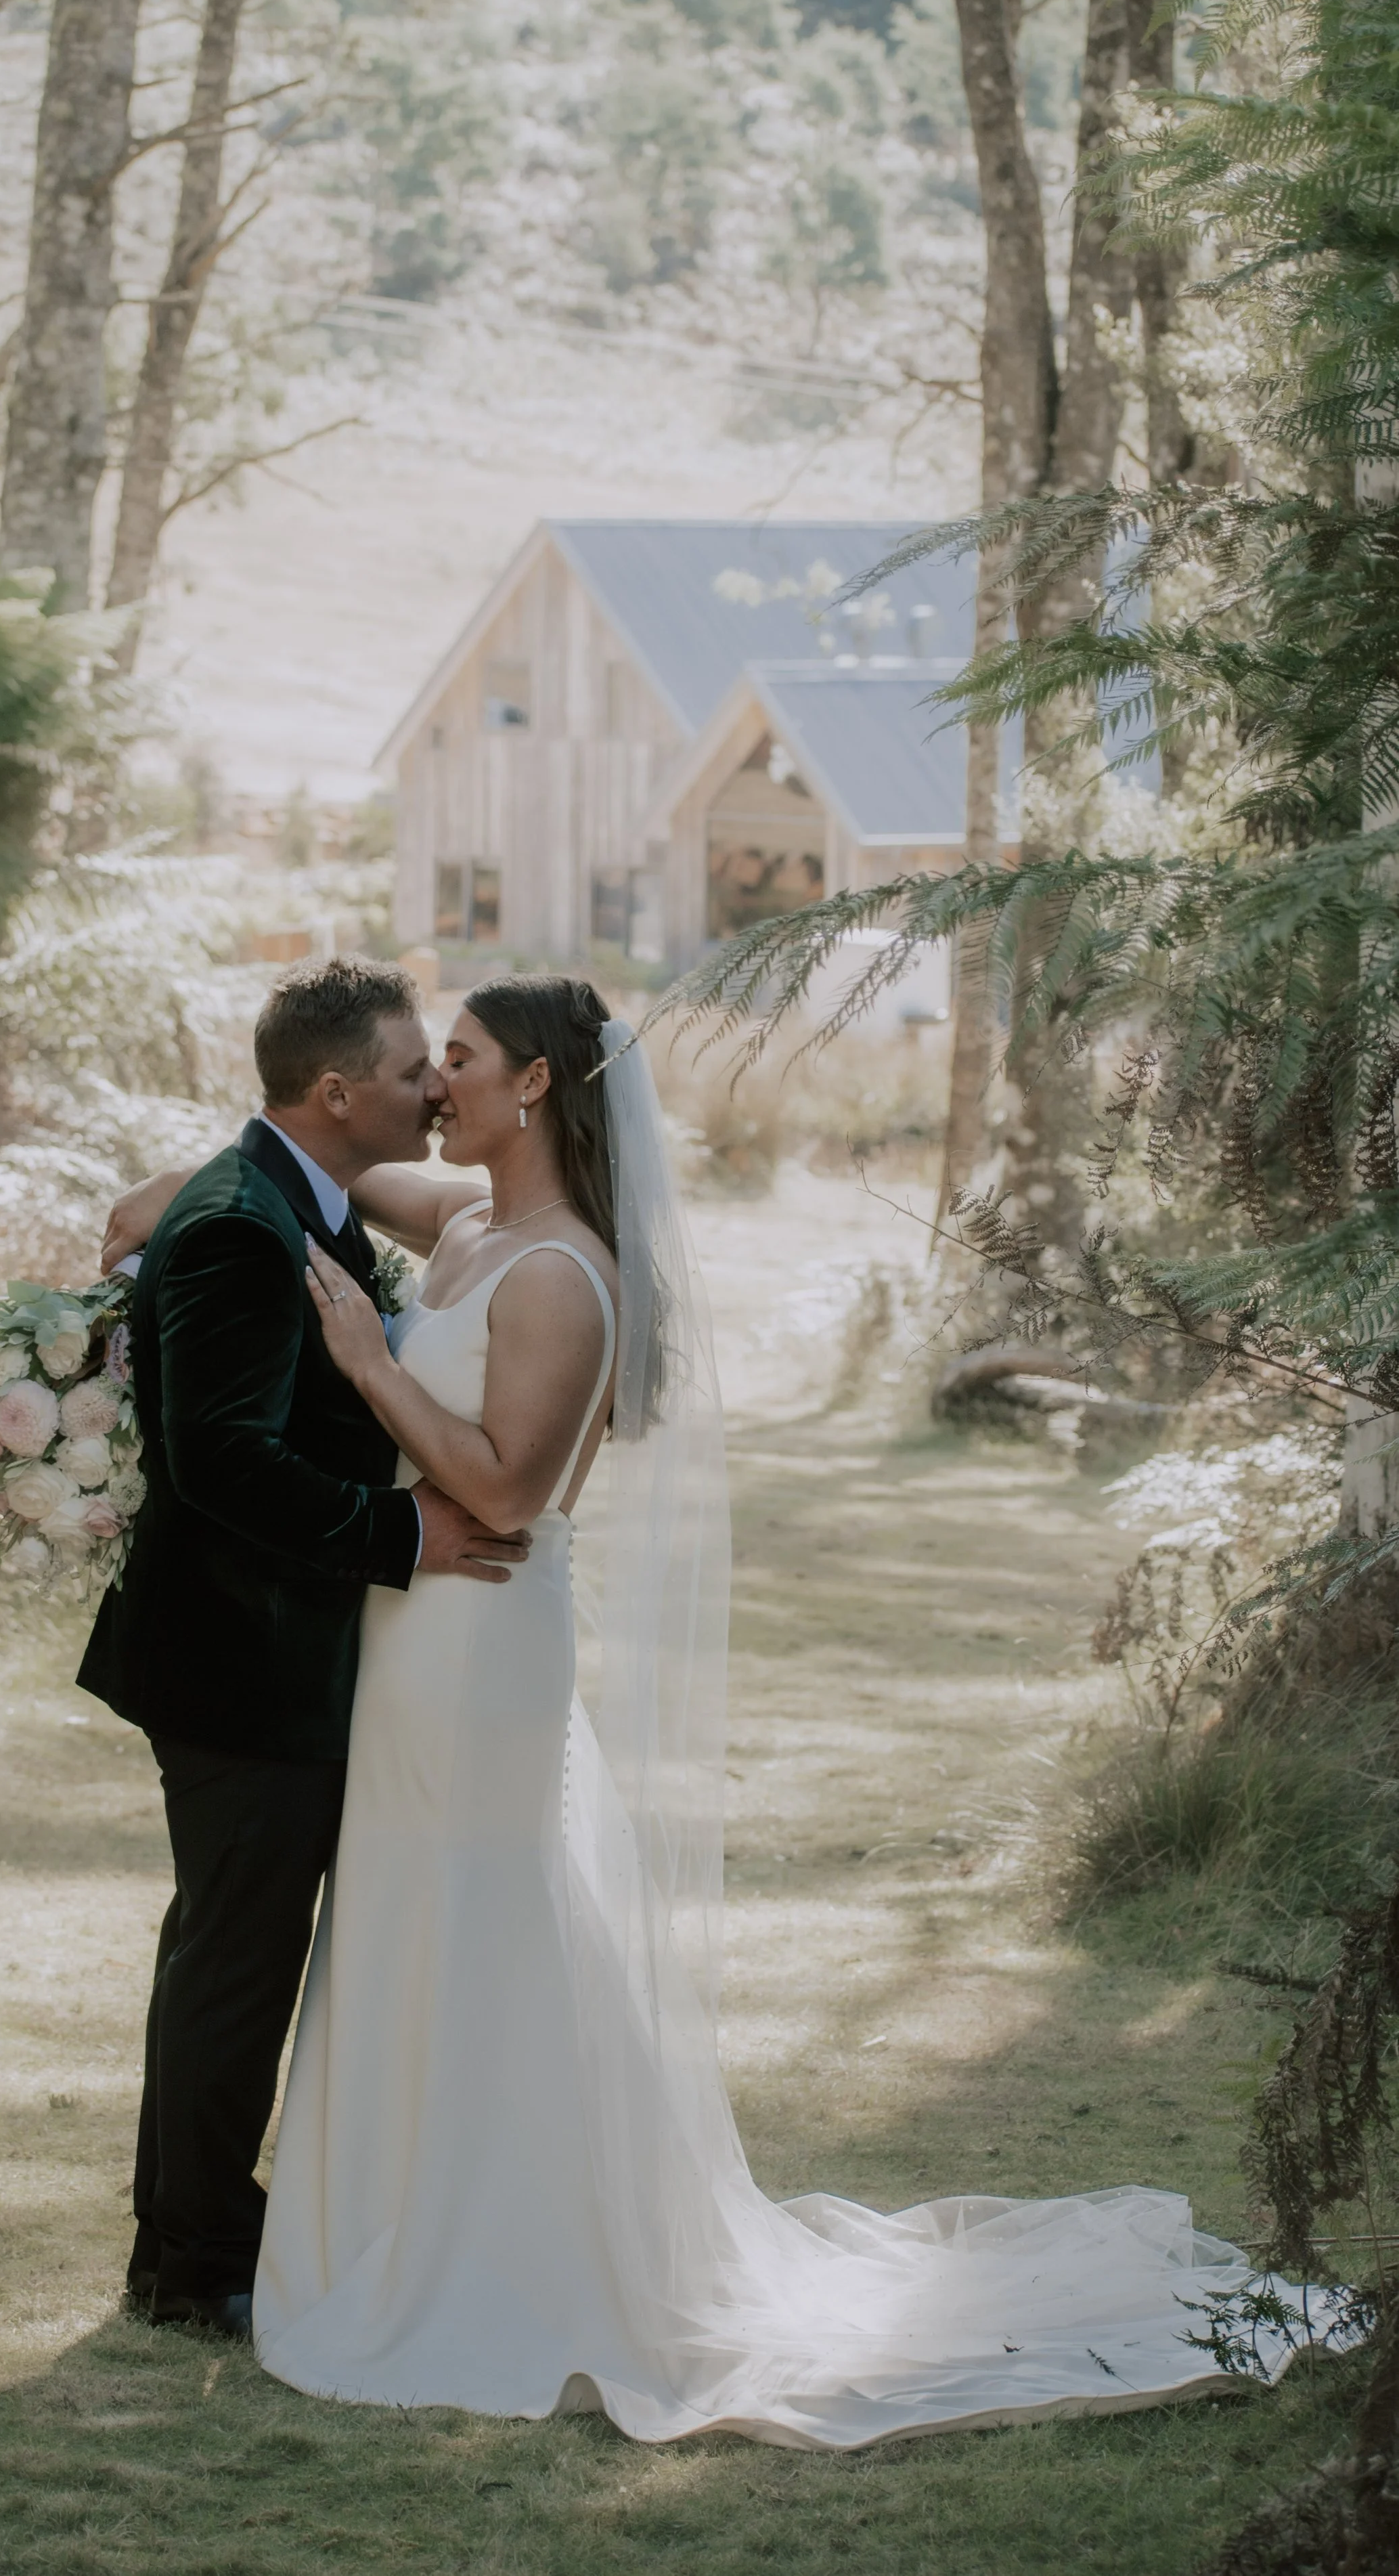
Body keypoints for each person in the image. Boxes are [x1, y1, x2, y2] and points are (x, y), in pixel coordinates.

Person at [106, 972, 1316, 2446]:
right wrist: (188, 1192)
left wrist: (368, 1359)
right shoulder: (474, 1224)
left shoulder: (561, 1272)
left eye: (462, 1060)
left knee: (476, 1917)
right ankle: (379, 2213)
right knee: (402, 1919)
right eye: (425, 1065)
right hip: (407, 1642)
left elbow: (500, 1488)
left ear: (535, 1084)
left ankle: (491, 2242)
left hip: (476, 1634)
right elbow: (321, 1172)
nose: (439, 1084)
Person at [79, 958, 529, 2337]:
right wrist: (400, 1537)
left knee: (232, 1951)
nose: (432, 1090)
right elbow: (220, 1461)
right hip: (237, 1658)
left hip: (272, 1652)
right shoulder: (240, 1225)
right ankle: (195, 2257)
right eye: (409, 1072)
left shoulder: (299, 1202)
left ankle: (199, 2227)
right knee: (237, 1959)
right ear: (334, 1093)